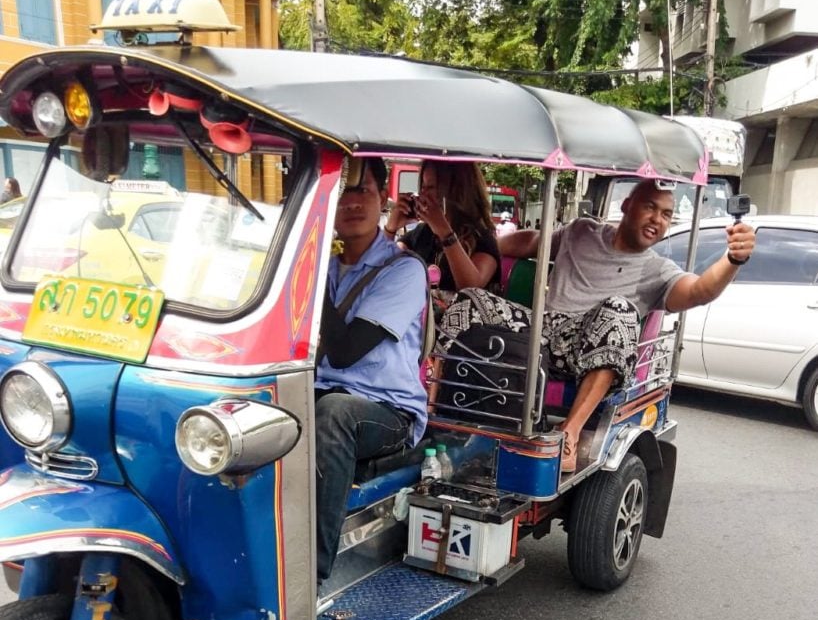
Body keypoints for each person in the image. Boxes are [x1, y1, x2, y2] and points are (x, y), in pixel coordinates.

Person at [437, 179, 757, 472]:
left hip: (588, 348)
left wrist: (732, 260)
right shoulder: (581, 232)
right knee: (471, 298)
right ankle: (434, 406)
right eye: (650, 207)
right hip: (540, 332)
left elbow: (700, 290)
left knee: (618, 307)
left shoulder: (658, 270)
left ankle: (569, 435)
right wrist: (484, 245)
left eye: (666, 214)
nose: (657, 220)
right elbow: (532, 242)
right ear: (626, 206)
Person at [315, 157, 428, 586]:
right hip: (321, 392)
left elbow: (344, 352)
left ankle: (310, 576)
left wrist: (305, 272)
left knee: (335, 414)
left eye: (362, 190)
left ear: (383, 198)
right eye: (341, 191)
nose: (351, 202)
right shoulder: (325, 266)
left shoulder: (403, 270)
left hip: (386, 411)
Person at [384, 161, 500, 299]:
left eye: (431, 187)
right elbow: (382, 266)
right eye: (423, 187)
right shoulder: (423, 233)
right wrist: (391, 228)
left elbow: (469, 289)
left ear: (456, 191)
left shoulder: (480, 236)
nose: (423, 194)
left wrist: (444, 231)